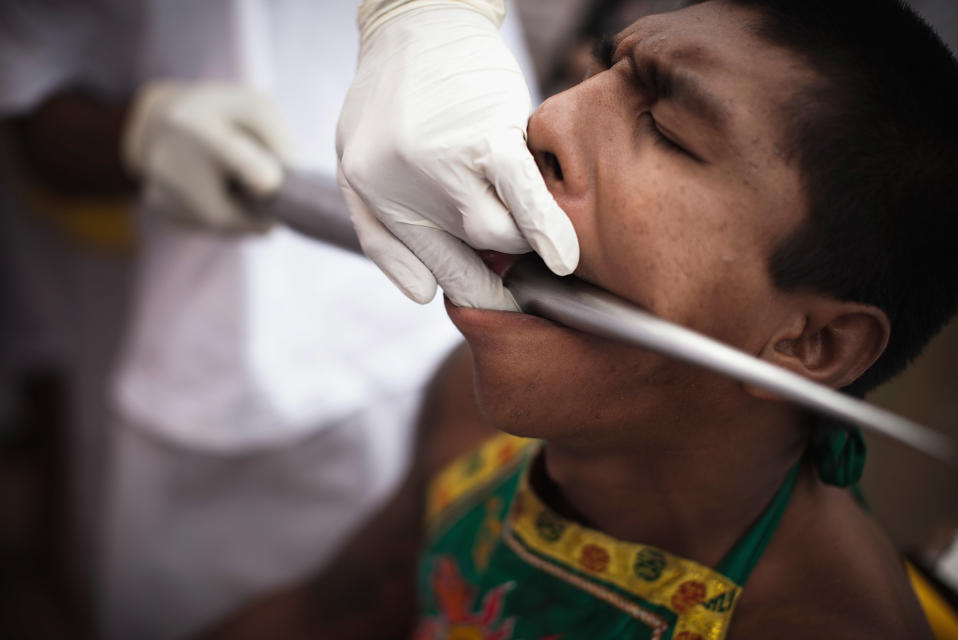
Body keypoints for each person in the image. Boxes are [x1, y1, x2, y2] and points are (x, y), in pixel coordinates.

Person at [200, 0, 958, 638]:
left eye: (665, 130)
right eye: (595, 74)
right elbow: (331, 614)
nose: (545, 122)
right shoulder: (471, 410)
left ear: (812, 341)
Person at [0, 2, 548, 638]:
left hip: (454, 303)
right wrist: (138, 135)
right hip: (209, 340)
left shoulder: (482, 398)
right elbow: (30, 72)